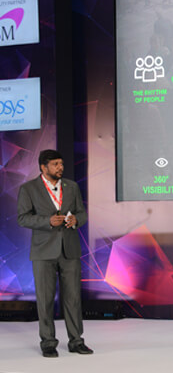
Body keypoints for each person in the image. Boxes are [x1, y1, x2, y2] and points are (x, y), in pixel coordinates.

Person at [17, 150, 93, 358]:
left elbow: (82, 213)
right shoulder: (29, 188)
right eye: (55, 164)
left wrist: (76, 220)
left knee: (73, 298)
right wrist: (47, 221)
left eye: (61, 163)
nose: (61, 167)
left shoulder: (72, 186)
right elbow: (23, 218)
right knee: (45, 299)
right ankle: (48, 343)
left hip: (69, 249)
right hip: (43, 251)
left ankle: (76, 341)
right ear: (43, 167)